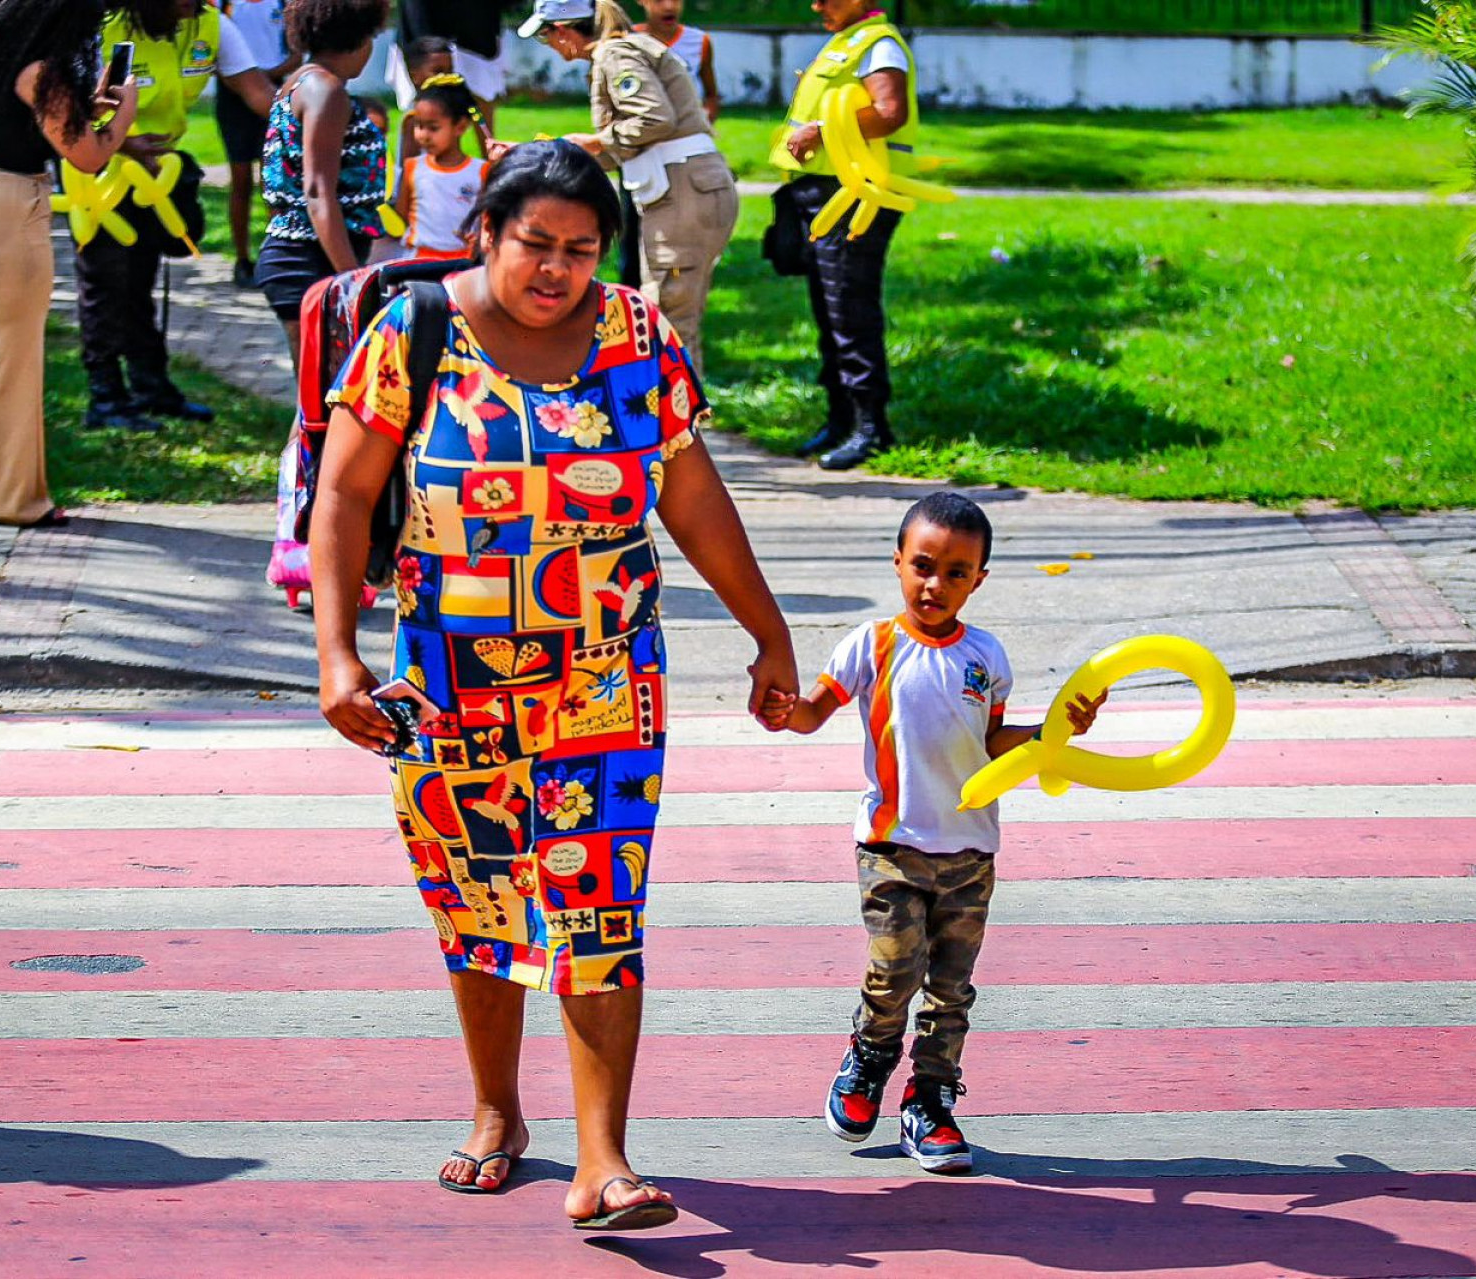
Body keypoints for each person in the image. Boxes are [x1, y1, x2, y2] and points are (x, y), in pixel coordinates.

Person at [310, 141, 799, 1229]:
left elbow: (691, 494)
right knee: (476, 895)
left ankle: (604, 1160)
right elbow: (342, 495)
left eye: (581, 250)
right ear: (485, 231)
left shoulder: (638, 337)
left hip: (607, 681)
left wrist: (768, 633)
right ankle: (496, 1111)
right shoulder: (412, 332)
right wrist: (337, 654)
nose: (557, 270)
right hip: (449, 684)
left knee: (600, 902)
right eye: (536, 243)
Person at [782, 492, 1106, 1173]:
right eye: (923, 566)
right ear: (898, 561)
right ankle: (871, 1054)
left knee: (951, 988)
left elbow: (993, 742)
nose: (935, 584)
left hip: (970, 852)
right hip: (892, 846)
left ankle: (929, 1100)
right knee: (895, 965)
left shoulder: (985, 656)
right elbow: (812, 711)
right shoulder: (872, 644)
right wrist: (785, 706)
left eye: (956, 573)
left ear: (978, 580)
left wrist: (1058, 728)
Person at [0, 0, 138, 526]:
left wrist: (85, 108)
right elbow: (88, 156)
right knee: (8, 365)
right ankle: (12, 501)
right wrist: (124, 110)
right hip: (0, 216)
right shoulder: (42, 72)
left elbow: (24, 123)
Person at [76, 0, 275, 432]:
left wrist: (311, 113)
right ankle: (105, 397)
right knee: (105, 284)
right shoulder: (104, 27)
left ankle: (150, 387)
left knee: (141, 281)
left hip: (157, 176)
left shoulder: (210, 25)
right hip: (99, 174)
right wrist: (123, 143)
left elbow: (257, 91)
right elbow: (70, 108)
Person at [520, 0, 736, 377]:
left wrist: (595, 142)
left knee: (669, 322)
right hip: (686, 190)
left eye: (545, 36)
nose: (549, 45)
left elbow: (654, 118)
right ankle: (677, 408)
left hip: (682, 193)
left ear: (564, 31)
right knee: (675, 318)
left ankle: (675, 412)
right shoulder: (619, 50)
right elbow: (629, 142)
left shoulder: (615, 54)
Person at [773, 0, 922, 470]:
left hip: (856, 195)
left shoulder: (879, 45)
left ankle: (871, 428)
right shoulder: (847, 41)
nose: (816, 4)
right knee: (829, 310)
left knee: (849, 310)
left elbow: (889, 112)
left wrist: (820, 130)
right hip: (823, 193)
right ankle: (840, 419)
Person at [256, 0, 390, 372]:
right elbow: (317, 192)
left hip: (299, 257)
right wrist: (354, 281)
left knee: (320, 393)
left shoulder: (299, 82)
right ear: (356, 36)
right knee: (326, 392)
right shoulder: (326, 91)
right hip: (309, 262)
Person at [216, 0, 297, 289]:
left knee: (273, 182)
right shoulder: (225, 5)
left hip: (274, 90)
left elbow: (297, 53)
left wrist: (265, 77)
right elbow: (216, 56)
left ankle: (275, 255)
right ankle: (242, 259)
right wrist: (243, 80)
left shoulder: (282, 3)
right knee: (240, 181)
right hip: (233, 98)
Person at [391, 76, 488, 261]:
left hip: (464, 261)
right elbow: (401, 216)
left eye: (433, 128)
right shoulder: (413, 167)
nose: (423, 135)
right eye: (419, 126)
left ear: (460, 127)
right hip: (418, 261)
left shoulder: (481, 171)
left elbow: (488, 220)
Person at [388, 0, 507, 131]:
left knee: (481, 95)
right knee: (423, 103)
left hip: (476, 28)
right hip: (422, 26)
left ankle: (488, 142)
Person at [634, 0, 716, 122]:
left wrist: (706, 118)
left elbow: (711, 94)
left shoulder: (700, 41)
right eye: (658, 1)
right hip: (640, 127)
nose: (669, 6)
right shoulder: (625, 40)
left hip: (686, 128)